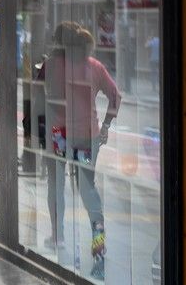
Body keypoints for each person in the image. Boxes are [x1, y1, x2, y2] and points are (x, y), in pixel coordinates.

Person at [43, 22, 121, 280]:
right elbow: (115, 96)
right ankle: (98, 249)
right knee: (88, 190)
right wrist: (107, 125)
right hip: (87, 138)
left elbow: (43, 92)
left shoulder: (55, 64)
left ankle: (58, 237)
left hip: (60, 135)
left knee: (56, 182)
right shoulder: (95, 66)